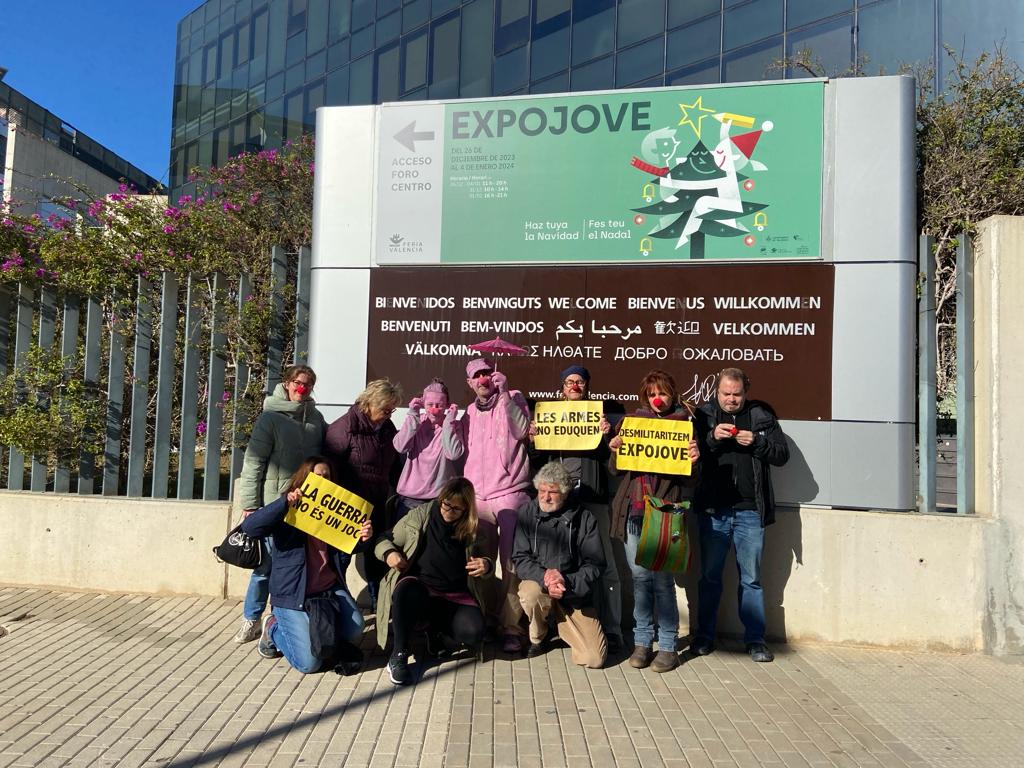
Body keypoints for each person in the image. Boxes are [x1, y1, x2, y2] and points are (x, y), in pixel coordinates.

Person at [691, 367, 789, 663]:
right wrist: (710, 439)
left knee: (752, 579)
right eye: (726, 394)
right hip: (713, 510)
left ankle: (756, 639)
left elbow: (782, 455)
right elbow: (687, 455)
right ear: (716, 392)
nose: (731, 400)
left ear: (746, 392)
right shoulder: (702, 416)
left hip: (750, 511)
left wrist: (758, 442)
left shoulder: (761, 417)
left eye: (737, 394)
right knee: (709, 577)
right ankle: (705, 636)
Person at [240, 456, 372, 674]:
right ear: (304, 478)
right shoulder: (288, 508)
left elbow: (349, 547)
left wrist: (363, 539)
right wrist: (284, 503)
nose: (322, 480)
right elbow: (251, 528)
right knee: (309, 664)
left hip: (328, 590)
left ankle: (313, 631)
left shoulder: (334, 511)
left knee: (356, 629)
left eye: (326, 476)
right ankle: (272, 628)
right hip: (293, 593)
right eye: (316, 476)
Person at [608, 369, 700, 673]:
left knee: (662, 582)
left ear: (672, 393)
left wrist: (695, 459)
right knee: (639, 580)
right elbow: (616, 470)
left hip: (663, 515)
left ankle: (669, 646)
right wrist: (614, 451)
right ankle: (643, 642)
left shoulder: (685, 426)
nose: (657, 399)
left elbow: (693, 480)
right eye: (651, 394)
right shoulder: (632, 423)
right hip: (634, 513)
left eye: (662, 392)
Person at [528, 364, 623, 652]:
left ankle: (614, 629)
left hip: (592, 499)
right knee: (548, 562)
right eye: (570, 382)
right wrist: (533, 440)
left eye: (580, 381)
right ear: (562, 388)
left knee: (605, 568)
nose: (574, 386)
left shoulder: (600, 416)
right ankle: (543, 631)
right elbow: (536, 459)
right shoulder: (549, 416)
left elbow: (613, 464)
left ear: (587, 386)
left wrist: (608, 438)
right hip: (557, 503)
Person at [233, 364, 327, 644]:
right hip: (273, 504)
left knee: (293, 566)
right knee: (265, 566)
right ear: (287, 383)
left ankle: (277, 619)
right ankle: (251, 618)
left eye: (308, 385)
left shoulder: (316, 419)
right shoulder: (270, 419)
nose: (303, 389)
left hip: (304, 507)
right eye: (299, 383)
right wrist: (251, 503)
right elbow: (254, 462)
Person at [374, 477, 494, 686]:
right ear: (441, 498)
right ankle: (399, 654)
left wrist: (486, 565)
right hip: (420, 585)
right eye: (446, 504)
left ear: (466, 509)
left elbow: (488, 561)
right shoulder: (419, 516)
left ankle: (434, 630)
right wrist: (389, 553)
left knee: (474, 632)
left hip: (454, 593)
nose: (448, 511)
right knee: (406, 592)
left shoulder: (473, 528)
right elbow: (383, 539)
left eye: (456, 509)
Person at [457, 358, 532, 653]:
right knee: (480, 561)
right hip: (478, 495)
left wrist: (505, 395)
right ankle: (487, 618)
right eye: (477, 376)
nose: (483, 379)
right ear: (470, 383)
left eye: (487, 373)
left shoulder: (513, 398)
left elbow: (522, 431)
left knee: (511, 561)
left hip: (511, 491)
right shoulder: (470, 411)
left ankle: (511, 624)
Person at [510, 463, 607, 669]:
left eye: (552, 492)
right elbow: (520, 557)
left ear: (564, 493)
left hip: (572, 592)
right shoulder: (526, 513)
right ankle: (539, 636)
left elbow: (595, 565)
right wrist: (546, 576)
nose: (545, 497)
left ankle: (562, 626)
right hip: (541, 585)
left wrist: (565, 580)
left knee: (594, 659)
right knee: (529, 593)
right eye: (542, 491)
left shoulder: (584, 518)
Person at [325, 378, 402, 610]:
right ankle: (337, 608)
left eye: (392, 410)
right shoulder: (345, 427)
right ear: (369, 403)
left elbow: (395, 464)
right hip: (347, 507)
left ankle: (380, 607)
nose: (389, 414)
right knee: (340, 559)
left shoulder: (387, 429)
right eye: (385, 409)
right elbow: (328, 466)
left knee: (376, 559)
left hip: (377, 505)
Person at [392, 378, 463, 518]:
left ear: (447, 405)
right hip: (410, 498)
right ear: (423, 403)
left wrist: (448, 423)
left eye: (439, 405)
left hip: (440, 499)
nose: (434, 409)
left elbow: (453, 454)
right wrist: (413, 415)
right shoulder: (417, 421)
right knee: (406, 539)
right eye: (430, 404)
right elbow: (400, 447)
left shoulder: (453, 425)